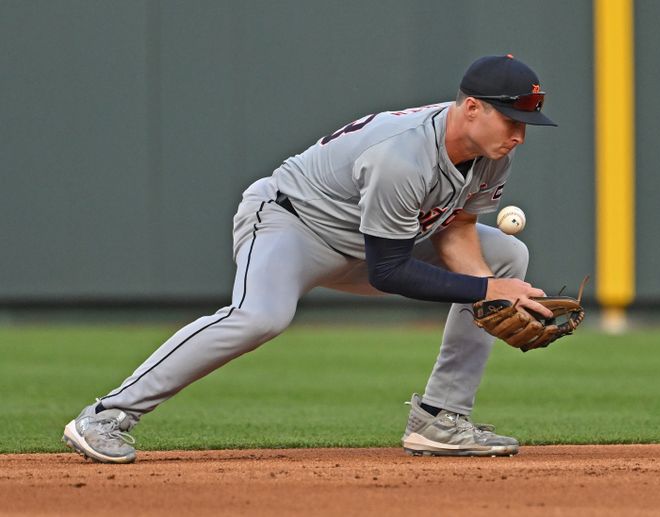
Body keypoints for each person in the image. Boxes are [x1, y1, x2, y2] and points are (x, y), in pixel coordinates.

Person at [62, 54, 557, 462]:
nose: (520, 134)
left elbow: (457, 227)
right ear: (472, 108)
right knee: (260, 316)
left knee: (506, 254)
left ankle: (440, 418)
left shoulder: (493, 153)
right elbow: (388, 273)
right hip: (293, 225)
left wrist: (492, 288)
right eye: (513, 120)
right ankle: (106, 415)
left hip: (373, 239)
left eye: (527, 124)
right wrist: (485, 290)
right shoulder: (401, 157)